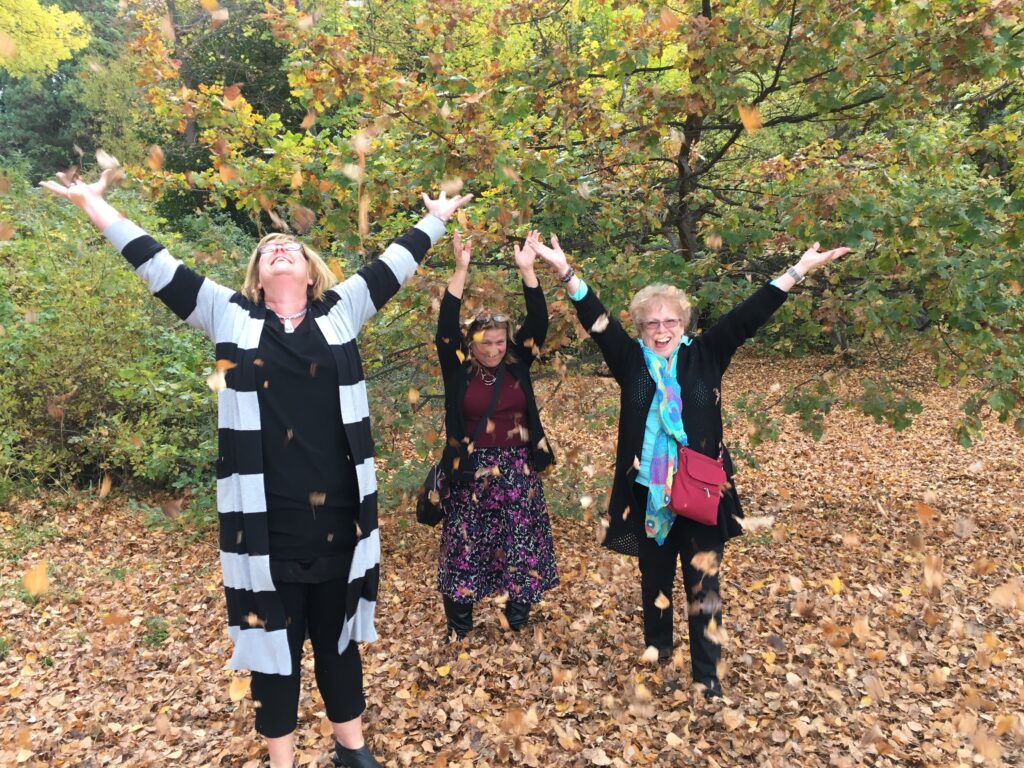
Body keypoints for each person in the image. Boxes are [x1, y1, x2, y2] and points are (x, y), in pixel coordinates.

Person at [41, 168, 471, 768]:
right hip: (262, 526)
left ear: (311, 268)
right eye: (268, 249)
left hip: (341, 520)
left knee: (340, 642)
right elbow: (157, 264)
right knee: (274, 651)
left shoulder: (342, 310)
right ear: (257, 274)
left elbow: (395, 263)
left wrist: (436, 217)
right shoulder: (228, 315)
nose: (278, 250)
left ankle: (353, 753)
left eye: (289, 247)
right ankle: (282, 761)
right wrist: (93, 205)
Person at [532, 234, 848, 697]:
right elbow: (596, 319)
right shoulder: (630, 362)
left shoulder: (706, 355)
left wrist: (798, 270)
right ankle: (658, 649)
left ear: (683, 323)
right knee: (654, 577)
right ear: (639, 328)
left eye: (670, 321)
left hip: (701, 493)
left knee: (704, 585)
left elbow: (749, 315)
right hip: (648, 492)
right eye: (651, 323)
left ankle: (707, 675)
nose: (662, 330)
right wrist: (565, 271)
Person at [433, 230, 559, 639]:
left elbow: (538, 322)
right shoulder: (458, 368)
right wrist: (460, 269)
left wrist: (528, 270)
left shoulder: (518, 361)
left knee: (520, 547)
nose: (493, 350)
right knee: (464, 550)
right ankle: (460, 628)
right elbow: (445, 327)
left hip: (518, 469)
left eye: (499, 342)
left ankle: (516, 622)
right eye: (485, 343)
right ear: (471, 344)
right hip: (471, 471)